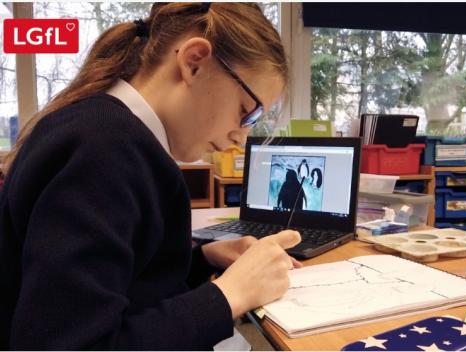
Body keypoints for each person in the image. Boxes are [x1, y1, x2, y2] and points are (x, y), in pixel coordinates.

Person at [0, 3, 302, 350]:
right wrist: (228, 295)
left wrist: (201, 260)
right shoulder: (101, 150)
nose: (241, 137)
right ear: (194, 62)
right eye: (246, 112)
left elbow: (122, 282)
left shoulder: (115, 138)